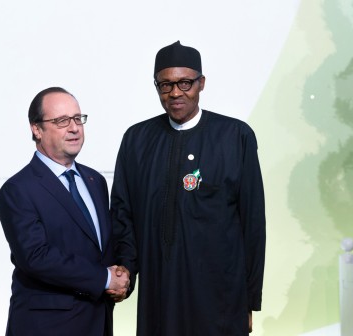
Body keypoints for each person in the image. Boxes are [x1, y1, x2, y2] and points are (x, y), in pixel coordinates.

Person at [110, 41, 266, 335]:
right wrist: (125, 268)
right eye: (165, 85)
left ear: (201, 83)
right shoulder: (137, 140)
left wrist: (249, 300)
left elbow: (253, 224)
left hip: (220, 297)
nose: (175, 93)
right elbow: (122, 212)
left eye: (185, 83)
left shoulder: (235, 137)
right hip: (159, 294)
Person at [0, 87, 129, 336]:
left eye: (78, 118)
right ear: (36, 129)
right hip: (47, 327)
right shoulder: (18, 189)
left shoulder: (95, 180)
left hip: (98, 321)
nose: (74, 127)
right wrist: (103, 279)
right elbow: (36, 257)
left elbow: (103, 248)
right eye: (61, 121)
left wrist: (122, 275)